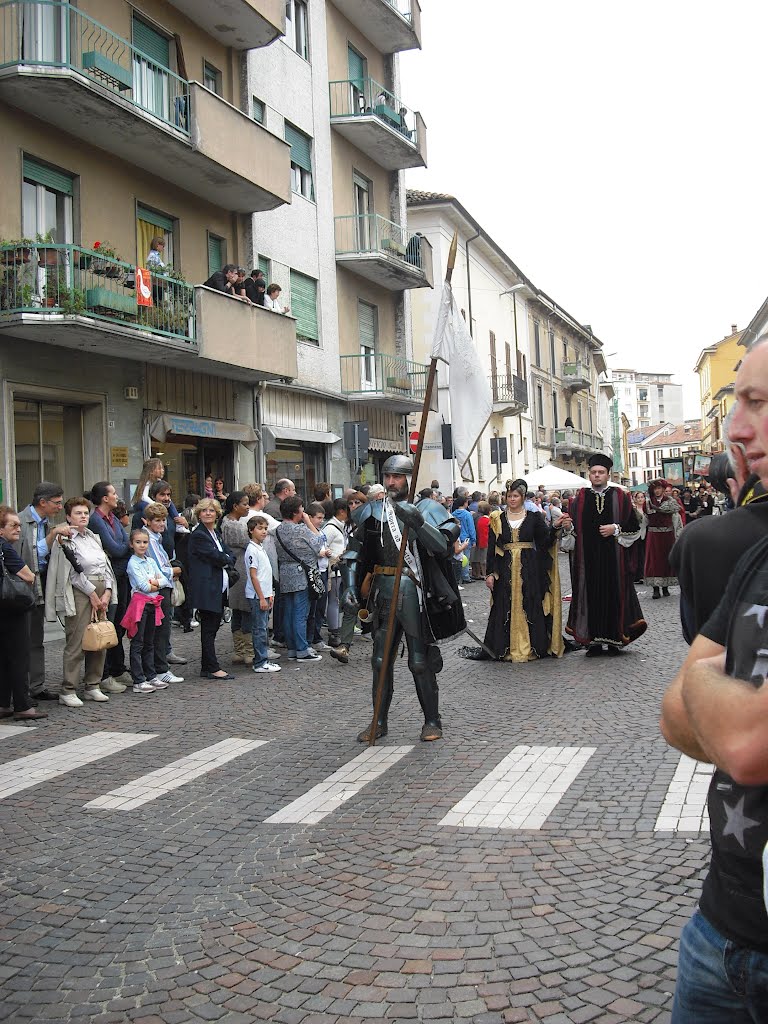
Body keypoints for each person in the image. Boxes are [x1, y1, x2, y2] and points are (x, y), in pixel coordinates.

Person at [659, 337, 768, 1023]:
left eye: (759, 402)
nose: (735, 428)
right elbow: (673, 717)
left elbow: (745, 742)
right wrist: (706, 696)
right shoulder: (759, 552)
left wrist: (705, 681)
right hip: (721, 929)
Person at [340, 454, 464, 742]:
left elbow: (443, 547)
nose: (392, 482)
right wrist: (348, 586)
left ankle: (432, 721)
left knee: (419, 661)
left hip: (413, 590)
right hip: (382, 589)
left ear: (410, 479)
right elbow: (354, 552)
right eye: (388, 476)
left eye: (397, 476)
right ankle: (378, 721)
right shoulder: (372, 510)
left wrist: (418, 523)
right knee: (380, 660)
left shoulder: (428, 508)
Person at [563, 453, 647, 656]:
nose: (597, 475)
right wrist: (567, 526)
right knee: (589, 596)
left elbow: (634, 527)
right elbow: (573, 530)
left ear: (608, 474)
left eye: (601, 472)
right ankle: (593, 642)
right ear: (589, 475)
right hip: (587, 560)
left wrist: (615, 528)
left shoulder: (620, 496)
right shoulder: (579, 499)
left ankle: (614, 640)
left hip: (614, 559)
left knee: (613, 595)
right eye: (593, 472)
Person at [481, 480, 565, 662]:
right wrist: (489, 573)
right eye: (509, 496)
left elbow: (544, 541)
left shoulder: (533, 518)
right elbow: (491, 548)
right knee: (504, 603)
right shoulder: (498, 519)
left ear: (523, 497)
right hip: (504, 569)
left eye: (516, 496)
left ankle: (531, 646)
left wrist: (556, 527)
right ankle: (507, 647)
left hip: (529, 568)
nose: (512, 499)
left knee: (530, 602)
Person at [45, 497, 116, 708]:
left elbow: (106, 565)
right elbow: (71, 572)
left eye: (86, 513)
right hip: (79, 592)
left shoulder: (93, 537)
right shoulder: (64, 540)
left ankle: (93, 684)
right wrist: (93, 594)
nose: (83, 516)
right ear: (68, 517)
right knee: (77, 640)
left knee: (99, 637)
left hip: (101, 588)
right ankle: (68, 688)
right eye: (78, 513)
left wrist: (108, 592)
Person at [16, 481, 72, 701]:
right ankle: (19, 689)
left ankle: (36, 686)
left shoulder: (46, 523)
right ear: (42, 502)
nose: (60, 507)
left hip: (39, 589)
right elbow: (30, 554)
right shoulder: (20, 522)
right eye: (56, 503)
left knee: (36, 640)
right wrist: (52, 536)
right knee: (20, 641)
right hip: (20, 591)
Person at [0, 506, 45, 721]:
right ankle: (22, 705)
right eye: (13, 525)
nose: (19, 529)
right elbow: (29, 576)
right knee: (18, 657)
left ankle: (3, 703)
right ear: (1, 530)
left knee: (2, 658)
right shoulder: (5, 548)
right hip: (12, 609)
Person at [89, 481, 132, 695]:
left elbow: (125, 541)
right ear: (105, 498)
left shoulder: (113, 518)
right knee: (107, 624)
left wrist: (126, 547)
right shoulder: (96, 520)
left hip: (122, 576)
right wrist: (127, 548)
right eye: (113, 493)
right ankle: (104, 674)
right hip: (108, 578)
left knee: (119, 625)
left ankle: (118, 667)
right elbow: (116, 548)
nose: (116, 496)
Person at [187, 498, 236, 680]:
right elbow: (216, 556)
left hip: (218, 586)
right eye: (204, 511)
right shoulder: (199, 534)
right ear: (199, 514)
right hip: (207, 587)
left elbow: (227, 552)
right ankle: (212, 667)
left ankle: (207, 665)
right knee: (209, 628)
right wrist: (225, 557)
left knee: (213, 627)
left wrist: (226, 557)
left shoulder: (215, 532)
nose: (208, 513)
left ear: (217, 514)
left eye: (211, 510)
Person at [275, 495, 324, 661]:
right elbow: (319, 542)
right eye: (302, 509)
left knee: (288, 613)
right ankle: (302, 649)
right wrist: (309, 522)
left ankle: (292, 649)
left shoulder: (279, 529)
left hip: (285, 573)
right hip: (302, 574)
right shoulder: (301, 529)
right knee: (301, 613)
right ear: (297, 512)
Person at [142, 502, 184, 686]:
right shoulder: (149, 540)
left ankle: (157, 668)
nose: (162, 524)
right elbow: (159, 568)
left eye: (163, 520)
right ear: (148, 521)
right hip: (157, 588)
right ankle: (159, 669)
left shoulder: (156, 538)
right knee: (160, 630)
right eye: (157, 521)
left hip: (161, 586)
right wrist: (173, 570)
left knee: (161, 629)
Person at [123, 527, 167, 694]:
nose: (142, 545)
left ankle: (151, 674)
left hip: (153, 603)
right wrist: (154, 583)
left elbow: (163, 578)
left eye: (145, 542)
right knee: (138, 641)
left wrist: (155, 583)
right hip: (140, 604)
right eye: (138, 542)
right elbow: (142, 586)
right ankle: (138, 679)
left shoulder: (150, 561)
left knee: (150, 641)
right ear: (131, 544)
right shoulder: (133, 563)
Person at [220, 491, 254, 666]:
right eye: (245, 503)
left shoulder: (228, 523)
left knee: (238, 611)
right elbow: (251, 543)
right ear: (235, 506)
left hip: (235, 570)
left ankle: (239, 650)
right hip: (242, 570)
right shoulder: (236, 527)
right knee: (245, 609)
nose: (248, 507)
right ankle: (247, 651)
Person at [245, 515, 279, 674]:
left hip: (265, 594)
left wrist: (269, 594)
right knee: (260, 629)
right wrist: (261, 597)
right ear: (251, 530)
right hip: (257, 596)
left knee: (263, 628)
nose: (264, 531)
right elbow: (254, 576)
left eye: (265, 528)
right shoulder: (252, 549)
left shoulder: (260, 548)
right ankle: (260, 661)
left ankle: (263, 659)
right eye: (260, 528)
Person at [644, 479, 682, 599]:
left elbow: (677, 519)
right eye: (655, 489)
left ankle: (665, 587)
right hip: (654, 535)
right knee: (654, 562)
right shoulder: (648, 503)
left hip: (667, 534)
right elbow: (645, 520)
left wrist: (678, 534)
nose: (657, 491)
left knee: (666, 560)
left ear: (663, 490)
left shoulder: (671, 502)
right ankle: (656, 589)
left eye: (659, 488)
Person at [305, 502, 332, 651]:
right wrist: (321, 553)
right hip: (315, 571)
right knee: (315, 608)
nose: (321, 521)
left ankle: (317, 636)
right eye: (318, 518)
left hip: (323, 569)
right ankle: (313, 637)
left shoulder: (320, 531)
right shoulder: (308, 531)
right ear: (309, 518)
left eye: (323, 518)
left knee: (322, 606)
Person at [451, 488, 476, 584]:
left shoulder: (453, 514)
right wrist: (474, 540)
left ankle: (459, 576)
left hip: (456, 537)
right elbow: (471, 528)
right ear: (465, 503)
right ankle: (465, 576)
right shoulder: (467, 514)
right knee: (466, 558)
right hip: (466, 538)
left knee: (458, 558)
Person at [471, 500, 490, 581]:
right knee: (482, 559)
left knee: (475, 558)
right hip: (482, 540)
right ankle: (482, 574)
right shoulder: (484, 519)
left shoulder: (474, 515)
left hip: (476, 539)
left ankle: (476, 573)